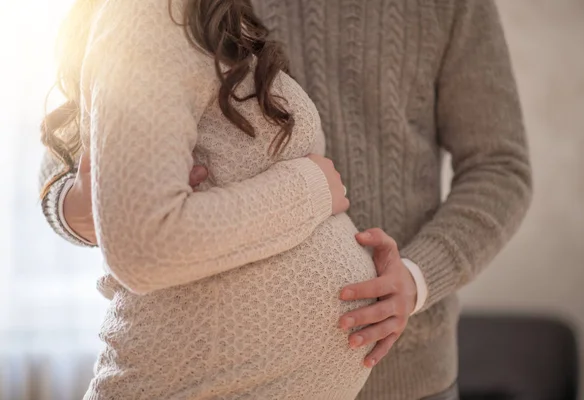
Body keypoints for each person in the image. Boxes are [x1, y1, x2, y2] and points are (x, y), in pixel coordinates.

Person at [39, 0, 532, 399]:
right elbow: (62, 173)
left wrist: (416, 278)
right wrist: (88, 207)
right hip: (222, 372)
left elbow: (500, 167)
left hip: (406, 376)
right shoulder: (159, 12)